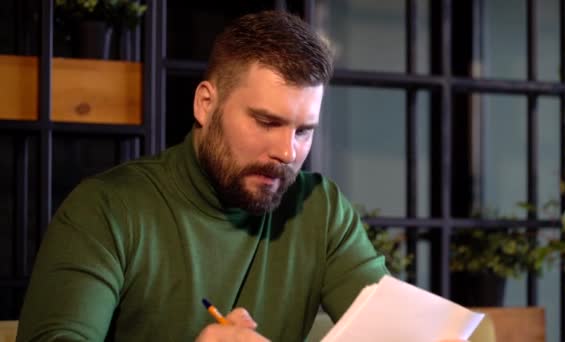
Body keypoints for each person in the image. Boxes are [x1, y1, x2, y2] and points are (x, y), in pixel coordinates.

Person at [16, 10, 389, 342]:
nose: (288, 152)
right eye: (265, 122)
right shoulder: (106, 209)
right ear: (205, 104)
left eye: (303, 130)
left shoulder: (320, 210)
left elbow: (397, 328)